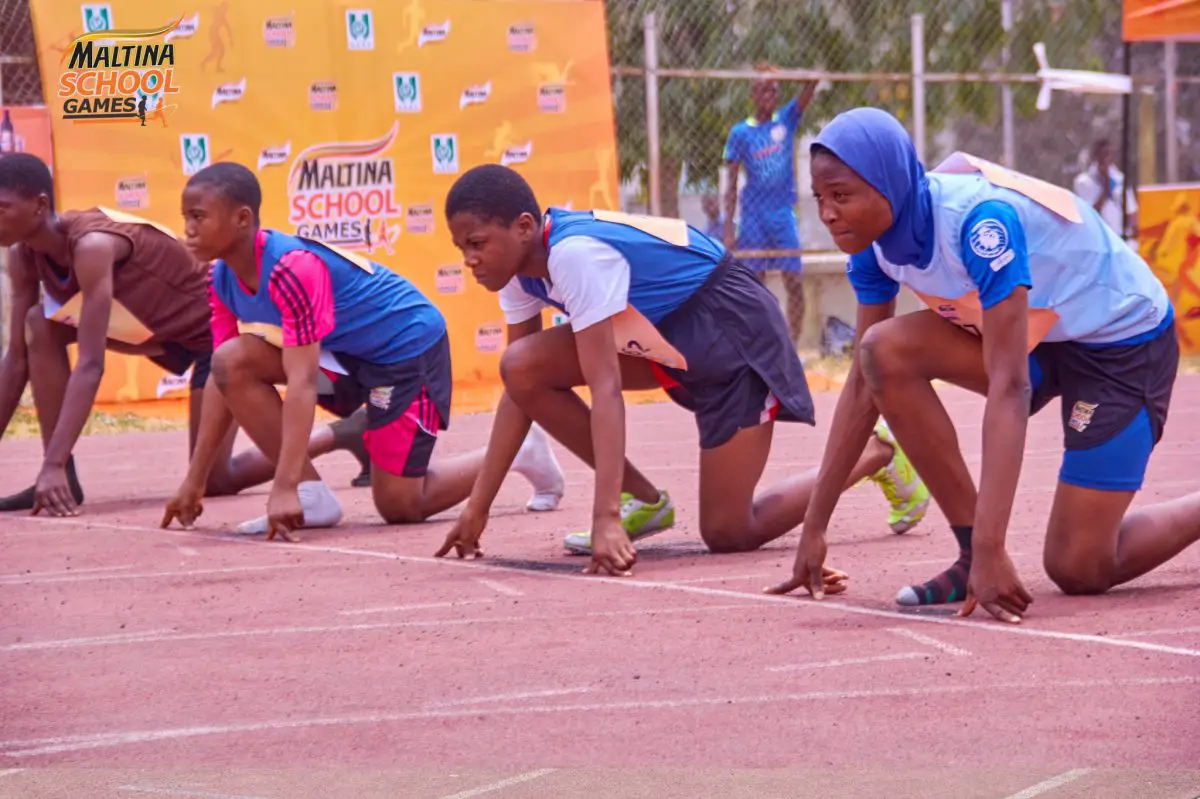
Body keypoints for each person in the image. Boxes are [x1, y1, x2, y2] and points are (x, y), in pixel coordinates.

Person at [767, 108, 1200, 625]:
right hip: (1040, 336)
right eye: (819, 197)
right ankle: (970, 552)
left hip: (1120, 345)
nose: (827, 213)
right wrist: (815, 526)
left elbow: (1010, 386)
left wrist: (999, 547)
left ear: (889, 183)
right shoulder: (873, 246)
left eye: (841, 195)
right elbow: (862, 386)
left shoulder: (980, 224)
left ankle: (987, 552)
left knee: (1079, 567)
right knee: (882, 352)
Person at [435, 163, 929, 573]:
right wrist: (477, 508)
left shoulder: (573, 255)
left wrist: (604, 517)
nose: (470, 260)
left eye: (477, 243)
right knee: (522, 367)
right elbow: (518, 390)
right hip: (668, 338)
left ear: (524, 227)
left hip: (731, 332)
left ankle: (877, 451)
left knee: (729, 532)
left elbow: (606, 388)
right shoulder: (517, 273)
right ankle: (645, 501)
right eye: (462, 249)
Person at [161, 162, 563, 538]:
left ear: (242, 219)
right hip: (345, 360)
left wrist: (282, 487)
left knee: (400, 505)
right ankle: (312, 494)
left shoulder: (291, 268)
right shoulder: (221, 279)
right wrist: (194, 481)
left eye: (198, 217)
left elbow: (302, 381)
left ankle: (519, 451)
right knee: (232, 361)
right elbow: (219, 379)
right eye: (185, 218)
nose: (188, 230)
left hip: (405, 352)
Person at [0, 152, 369, 517]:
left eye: (1, 208)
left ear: (40, 206)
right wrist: (53, 462)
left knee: (216, 479)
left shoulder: (92, 246)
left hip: (212, 337)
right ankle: (61, 473)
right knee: (38, 324)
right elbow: (16, 360)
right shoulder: (23, 257)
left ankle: (343, 433)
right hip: (158, 334)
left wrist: (50, 464)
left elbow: (91, 364)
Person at [723, 64, 816, 344]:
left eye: (774, 90)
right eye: (763, 89)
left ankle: (792, 346)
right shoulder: (740, 133)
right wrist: (729, 229)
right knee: (756, 284)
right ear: (753, 94)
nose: (769, 95)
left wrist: (780, 73)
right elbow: (731, 184)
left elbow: (812, 80)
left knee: (794, 281)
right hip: (753, 215)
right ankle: (763, 344)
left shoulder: (785, 120)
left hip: (782, 213)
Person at [1072, 139, 1138, 241]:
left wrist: (1134, 231)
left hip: (1119, 238)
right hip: (1096, 239)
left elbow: (1131, 211)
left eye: (1108, 154)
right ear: (1096, 156)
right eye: (1102, 154)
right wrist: (1105, 190)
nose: (1105, 159)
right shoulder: (1083, 182)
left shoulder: (1120, 180)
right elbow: (1086, 215)